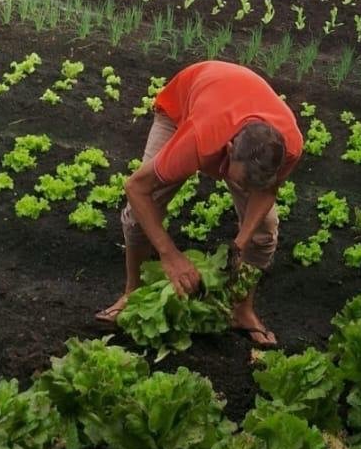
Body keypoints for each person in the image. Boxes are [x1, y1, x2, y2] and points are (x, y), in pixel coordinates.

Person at [97, 60, 302, 347]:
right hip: (184, 109)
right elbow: (135, 187)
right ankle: (132, 292)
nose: (246, 190)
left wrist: (239, 244)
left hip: (231, 104)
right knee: (141, 214)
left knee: (263, 231)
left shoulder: (287, 145)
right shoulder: (198, 138)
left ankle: (241, 310)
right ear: (228, 151)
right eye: (243, 183)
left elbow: (267, 192)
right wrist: (169, 254)